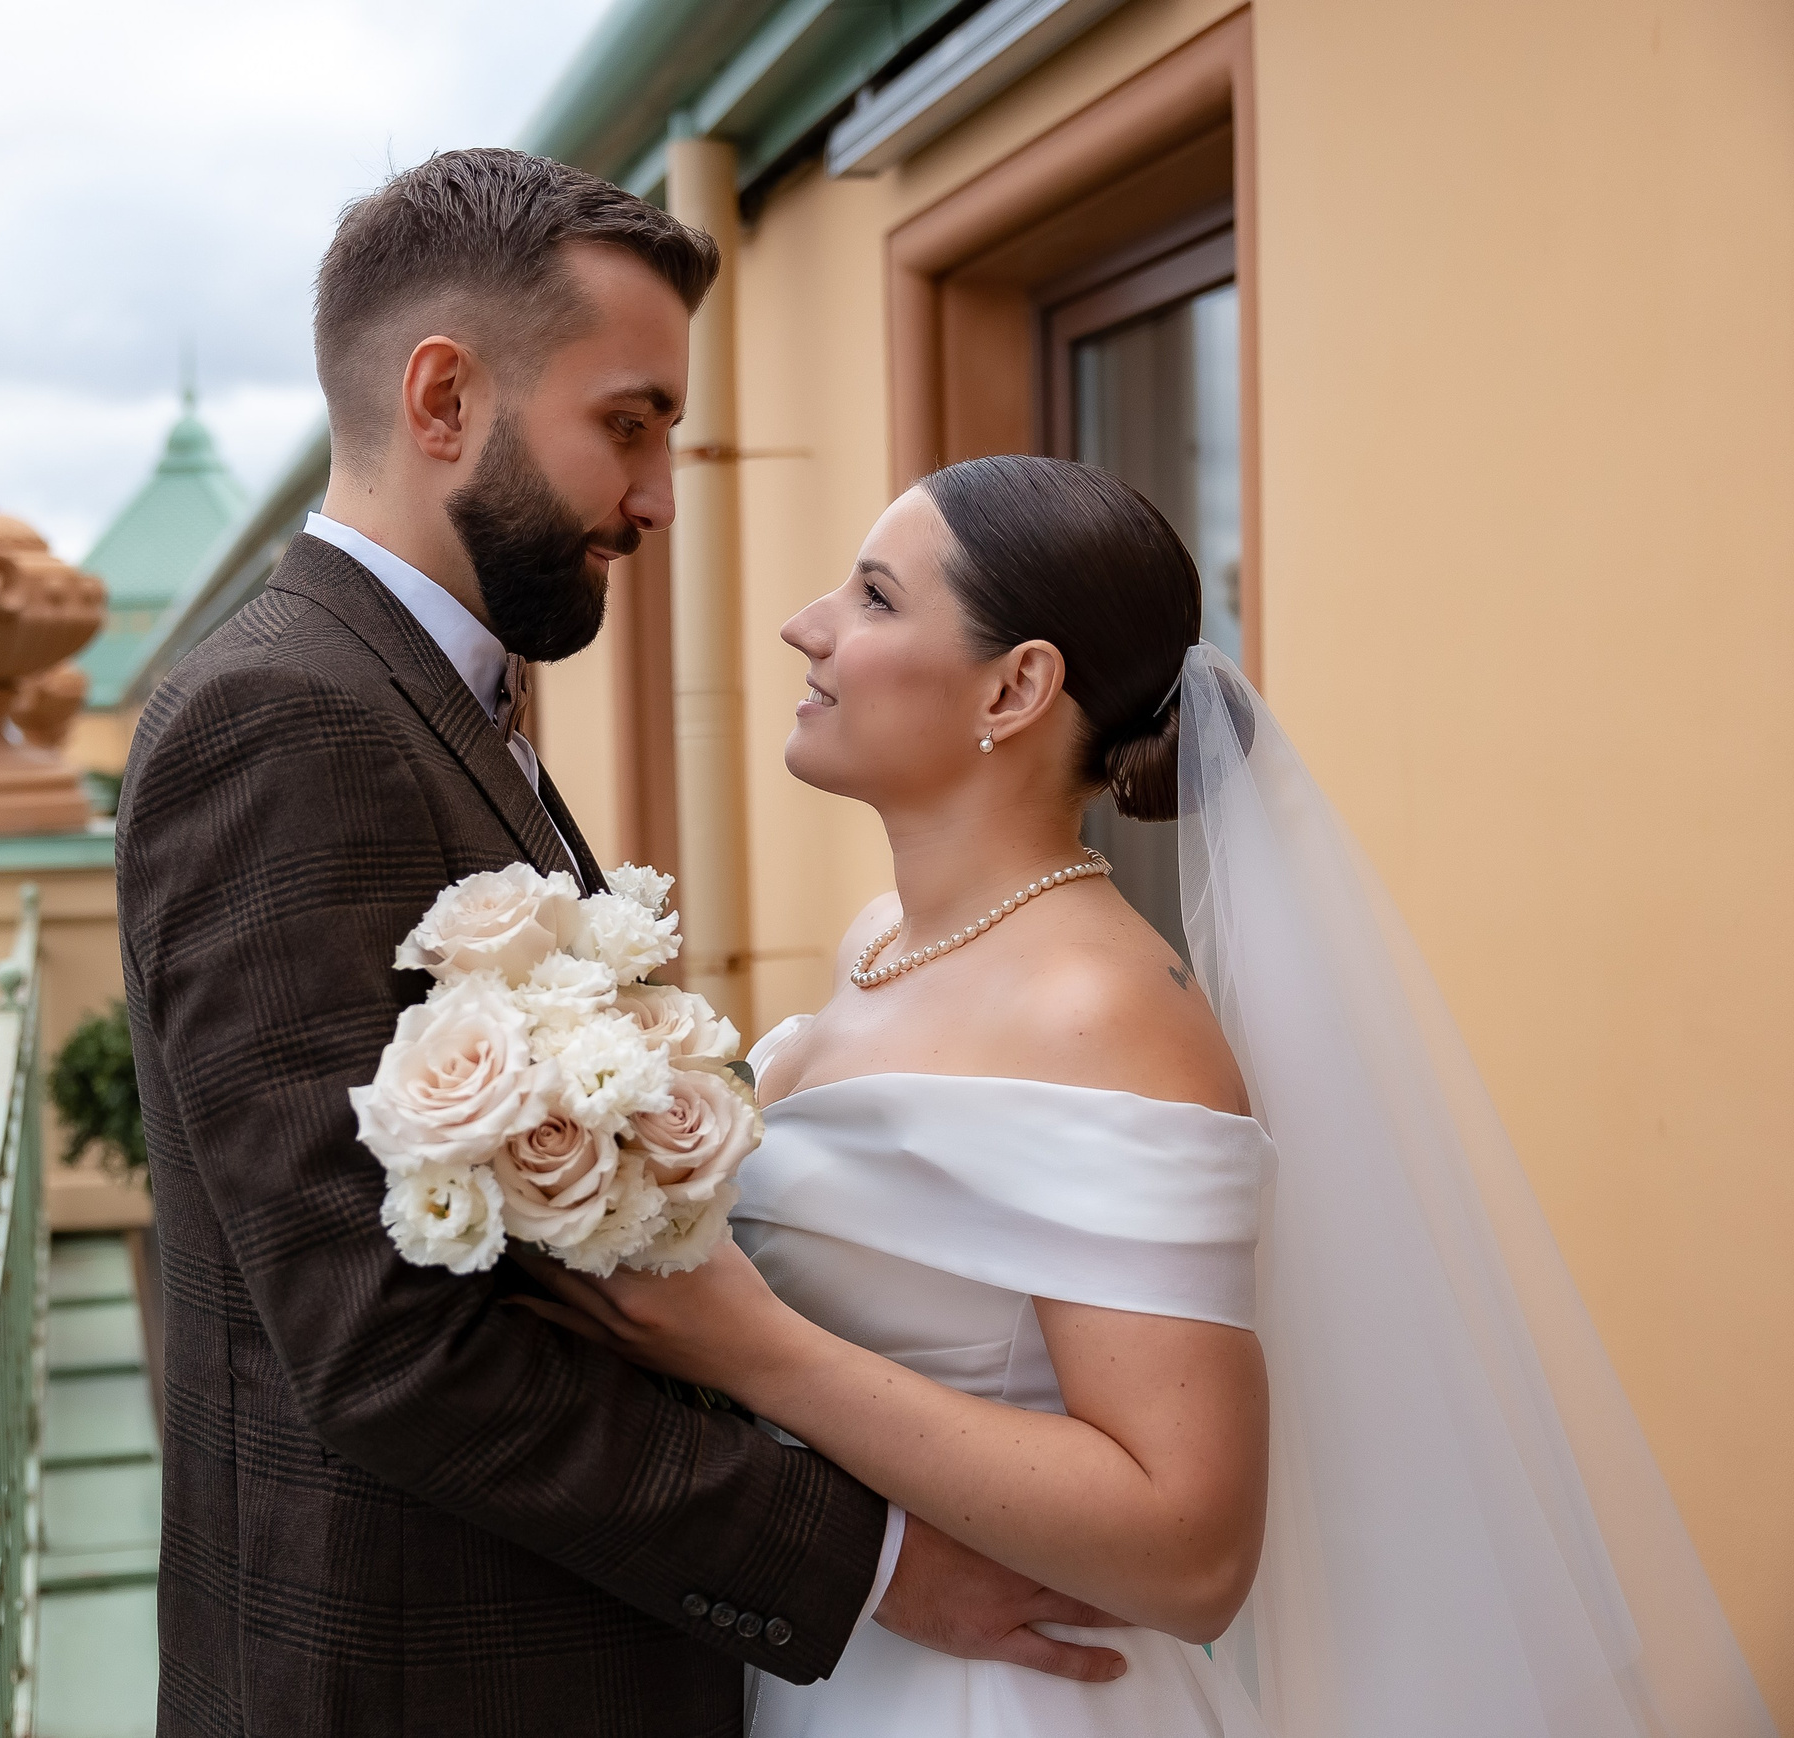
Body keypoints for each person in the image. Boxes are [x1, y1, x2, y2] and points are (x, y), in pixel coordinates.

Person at [117, 155, 1135, 1737]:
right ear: (444, 395)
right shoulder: (289, 717)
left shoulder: (426, 694)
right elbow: (383, 1345)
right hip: (420, 1679)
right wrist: (865, 1563)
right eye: (630, 422)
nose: (661, 494)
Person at [523, 454, 1779, 1736]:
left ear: (1016, 687)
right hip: (833, 1655)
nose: (808, 623)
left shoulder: (1101, 1013)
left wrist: (757, 1351)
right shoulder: (878, 939)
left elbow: (1192, 1550)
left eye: (876, 597)